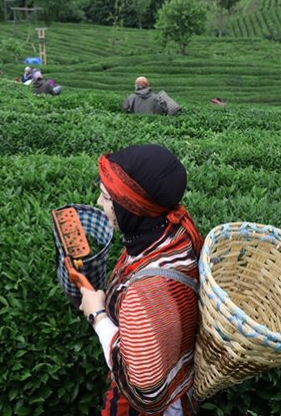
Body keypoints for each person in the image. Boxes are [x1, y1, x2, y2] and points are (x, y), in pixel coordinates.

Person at [80, 144, 203, 415]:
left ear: (131, 208)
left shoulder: (147, 291)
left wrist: (97, 314)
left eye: (106, 198)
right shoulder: (172, 231)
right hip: (179, 379)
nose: (98, 203)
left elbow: (144, 387)